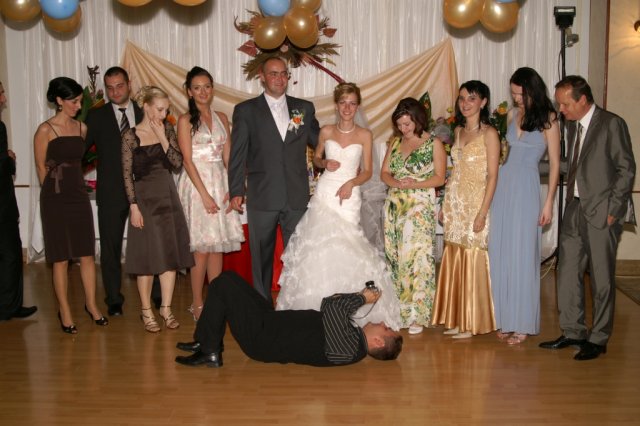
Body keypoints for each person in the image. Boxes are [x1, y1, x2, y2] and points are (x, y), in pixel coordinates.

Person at [276, 83, 401, 330]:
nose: (347, 108)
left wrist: (351, 183)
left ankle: (351, 306)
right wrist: (324, 163)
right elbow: (317, 158)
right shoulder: (326, 131)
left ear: (357, 106)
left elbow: (368, 171)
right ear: (336, 105)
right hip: (325, 193)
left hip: (349, 195)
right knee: (319, 245)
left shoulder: (365, 135)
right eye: (343, 102)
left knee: (348, 243)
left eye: (352, 103)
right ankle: (316, 306)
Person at [539, 75, 635, 360]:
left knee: (601, 278)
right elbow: (575, 165)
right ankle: (573, 331)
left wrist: (613, 211)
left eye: (565, 104)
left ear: (582, 100)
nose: (561, 110)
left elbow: (626, 169)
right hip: (574, 209)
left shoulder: (612, 124)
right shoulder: (572, 126)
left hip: (602, 212)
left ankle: (599, 338)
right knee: (567, 273)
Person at [228, 56, 320, 303]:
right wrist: (236, 191)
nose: (279, 79)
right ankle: (262, 307)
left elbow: (319, 143)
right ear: (262, 77)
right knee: (261, 257)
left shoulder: (304, 108)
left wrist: (343, 145)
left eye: (283, 73)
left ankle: (295, 303)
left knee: (298, 254)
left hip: (296, 195)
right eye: (273, 73)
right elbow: (238, 154)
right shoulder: (245, 111)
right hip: (262, 195)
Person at [175, 271, 403, 367]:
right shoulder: (353, 336)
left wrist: (362, 298)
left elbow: (333, 308)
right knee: (229, 278)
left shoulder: (350, 349)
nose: (384, 324)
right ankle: (206, 341)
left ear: (378, 342)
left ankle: (209, 350)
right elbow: (328, 304)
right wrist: (359, 296)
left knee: (223, 285)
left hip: (262, 338)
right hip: (270, 321)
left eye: (386, 329)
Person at [489, 67, 560, 345]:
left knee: (523, 254)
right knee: (500, 252)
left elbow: (555, 165)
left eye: (520, 93)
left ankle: (522, 322)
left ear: (533, 90)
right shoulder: (510, 115)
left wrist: (549, 202)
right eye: (513, 93)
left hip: (527, 188)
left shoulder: (549, 119)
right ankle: (503, 318)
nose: (516, 98)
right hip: (503, 186)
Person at [33, 77, 108, 333]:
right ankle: (64, 310)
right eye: (73, 101)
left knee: (86, 253)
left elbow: (81, 162)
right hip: (54, 198)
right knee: (61, 257)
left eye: (79, 101)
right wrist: (52, 198)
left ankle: (91, 305)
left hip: (78, 194)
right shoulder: (45, 130)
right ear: (59, 100)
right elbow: (41, 169)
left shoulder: (81, 128)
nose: (78, 106)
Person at [85, 66, 161, 317]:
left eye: (119, 86)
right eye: (110, 88)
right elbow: (81, 151)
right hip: (111, 191)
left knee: (151, 243)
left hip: (144, 188)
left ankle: (157, 294)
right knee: (110, 247)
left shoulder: (145, 111)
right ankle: (113, 299)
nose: (115, 92)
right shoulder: (96, 117)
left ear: (129, 84)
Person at [121, 86, 194, 333]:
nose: (164, 114)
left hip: (167, 198)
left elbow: (177, 163)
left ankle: (166, 308)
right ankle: (145, 310)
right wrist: (133, 207)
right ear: (146, 106)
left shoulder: (168, 129)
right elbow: (126, 175)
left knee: (169, 258)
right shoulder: (130, 136)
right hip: (144, 201)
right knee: (147, 258)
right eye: (160, 109)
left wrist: (162, 136)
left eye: (166, 110)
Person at [431, 80, 500, 339]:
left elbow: (493, 176)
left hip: (475, 204)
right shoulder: (458, 131)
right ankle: (457, 319)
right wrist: (445, 204)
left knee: (473, 258)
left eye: (472, 98)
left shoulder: (489, 134)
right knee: (455, 257)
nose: (465, 103)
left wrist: (482, 212)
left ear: (483, 102)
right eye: (462, 98)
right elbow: (455, 172)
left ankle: (472, 322)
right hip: (455, 203)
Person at [176, 67, 244, 321]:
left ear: (212, 89)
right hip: (197, 185)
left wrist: (233, 187)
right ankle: (197, 303)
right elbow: (187, 161)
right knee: (201, 248)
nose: (203, 92)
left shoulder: (222, 118)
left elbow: (228, 157)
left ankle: (215, 302)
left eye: (207, 86)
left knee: (217, 247)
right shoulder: (185, 120)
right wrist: (204, 195)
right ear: (189, 92)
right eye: (197, 88)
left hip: (219, 181)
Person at [382, 98, 447, 334]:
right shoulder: (395, 142)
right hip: (394, 206)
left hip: (419, 207)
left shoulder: (434, 143)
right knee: (396, 258)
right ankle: (399, 310)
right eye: (399, 124)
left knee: (417, 258)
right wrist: (396, 183)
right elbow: (384, 173)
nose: (403, 128)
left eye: (407, 124)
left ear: (418, 120)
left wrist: (414, 184)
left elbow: (440, 178)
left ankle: (418, 314)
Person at [0, 80, 37, 321]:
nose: (4, 99)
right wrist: (10, 159)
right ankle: (9, 307)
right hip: (2, 205)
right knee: (11, 255)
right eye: (1, 93)